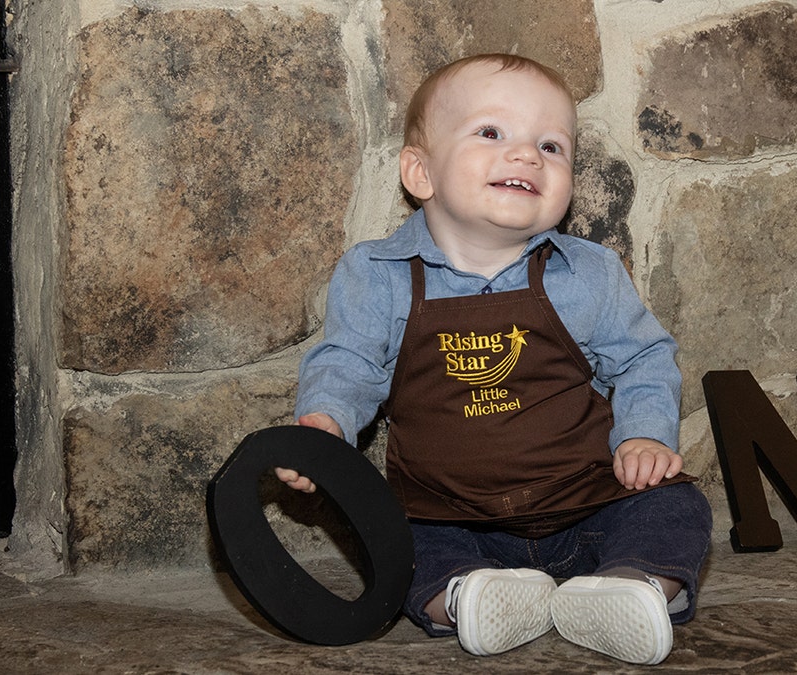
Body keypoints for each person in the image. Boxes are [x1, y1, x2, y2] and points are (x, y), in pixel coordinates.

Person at [275, 53, 712, 665]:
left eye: (552, 146)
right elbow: (347, 362)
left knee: (676, 505)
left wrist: (641, 435)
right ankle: (468, 598)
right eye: (491, 132)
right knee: (392, 540)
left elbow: (643, 358)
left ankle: (633, 587)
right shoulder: (377, 275)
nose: (529, 155)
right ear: (420, 173)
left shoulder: (586, 273)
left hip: (589, 501)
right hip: (446, 513)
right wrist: (324, 426)